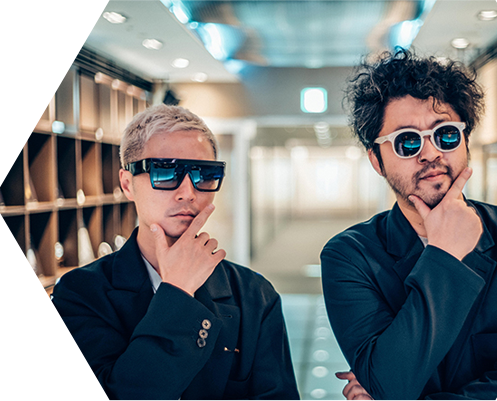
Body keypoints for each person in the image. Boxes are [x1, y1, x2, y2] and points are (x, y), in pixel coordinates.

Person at [320, 49, 497, 401]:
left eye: (446, 135)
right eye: (407, 141)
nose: (430, 153)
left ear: (466, 142)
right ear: (376, 160)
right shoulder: (350, 256)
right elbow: (389, 384)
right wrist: (445, 254)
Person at [22, 104, 300, 401]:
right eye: (165, 172)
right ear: (127, 184)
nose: (188, 193)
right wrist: (177, 293)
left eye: (204, 175)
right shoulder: (83, 292)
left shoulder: (254, 294)